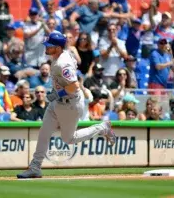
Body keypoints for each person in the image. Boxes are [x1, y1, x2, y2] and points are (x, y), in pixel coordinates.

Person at [17, 32, 116, 179]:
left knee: (69, 139)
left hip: (70, 104)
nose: (46, 47)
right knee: (44, 133)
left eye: (49, 46)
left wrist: (57, 94)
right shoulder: (61, 55)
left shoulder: (63, 63)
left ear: (57, 48)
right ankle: (35, 167)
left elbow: (75, 86)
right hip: (58, 102)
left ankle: (102, 127)